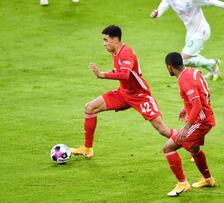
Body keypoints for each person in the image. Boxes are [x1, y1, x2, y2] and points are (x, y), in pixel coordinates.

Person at [71, 25, 175, 158]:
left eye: (105, 40)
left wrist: (103, 74)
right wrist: (108, 73)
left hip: (139, 96)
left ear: (115, 40)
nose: (104, 44)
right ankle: (87, 148)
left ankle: (190, 143)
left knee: (163, 130)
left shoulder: (126, 53)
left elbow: (125, 74)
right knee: (89, 107)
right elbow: (118, 70)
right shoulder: (115, 52)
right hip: (123, 93)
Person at [163, 52, 216, 197]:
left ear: (170, 67)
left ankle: (183, 183)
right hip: (206, 117)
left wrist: (186, 127)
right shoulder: (194, 72)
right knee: (194, 149)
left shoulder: (184, 80)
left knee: (168, 148)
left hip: (200, 121)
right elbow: (205, 93)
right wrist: (186, 107)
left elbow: (197, 104)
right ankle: (208, 179)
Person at [150, 0, 224, 81]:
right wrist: (157, 13)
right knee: (192, 56)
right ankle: (213, 70)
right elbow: (163, 5)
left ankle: (213, 62)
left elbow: (212, 1)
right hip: (190, 32)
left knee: (183, 60)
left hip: (201, 31)